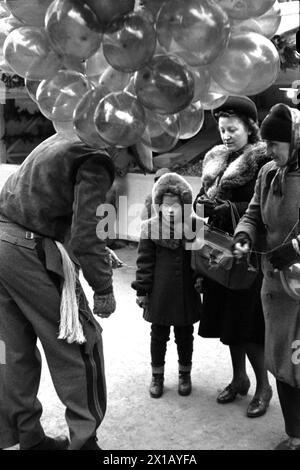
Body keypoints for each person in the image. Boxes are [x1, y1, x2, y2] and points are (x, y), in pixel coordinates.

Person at [0, 133, 116, 450]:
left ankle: (29, 438)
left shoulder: (64, 137)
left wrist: (97, 253)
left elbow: (53, 207)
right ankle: (84, 444)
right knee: (80, 342)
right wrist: (103, 287)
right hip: (29, 248)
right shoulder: (96, 158)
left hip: (3, 239)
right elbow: (87, 237)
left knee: (12, 349)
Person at [194, 96, 272, 417]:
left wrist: (228, 209)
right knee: (228, 322)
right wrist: (203, 203)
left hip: (246, 251)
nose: (226, 135)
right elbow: (205, 200)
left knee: (248, 325)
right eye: (222, 129)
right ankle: (239, 379)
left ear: (250, 128)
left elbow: (263, 210)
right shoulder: (215, 158)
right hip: (216, 251)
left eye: (233, 129)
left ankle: (263, 387)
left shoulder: (263, 161)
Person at [233, 103, 300, 449]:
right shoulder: (267, 174)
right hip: (275, 285)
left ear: (295, 139)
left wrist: (293, 251)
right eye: (268, 144)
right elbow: (254, 213)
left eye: (276, 144)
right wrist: (245, 234)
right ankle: (295, 435)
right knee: (281, 360)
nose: (270, 151)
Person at [132, 172, 202, 398]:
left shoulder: (193, 227)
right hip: (160, 293)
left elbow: (199, 259)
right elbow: (144, 262)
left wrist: (201, 280)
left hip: (185, 292)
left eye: (177, 205)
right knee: (158, 334)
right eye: (165, 205)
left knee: (185, 334)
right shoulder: (150, 228)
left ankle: (185, 373)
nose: (171, 210)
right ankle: (157, 375)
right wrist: (142, 289)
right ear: (157, 205)